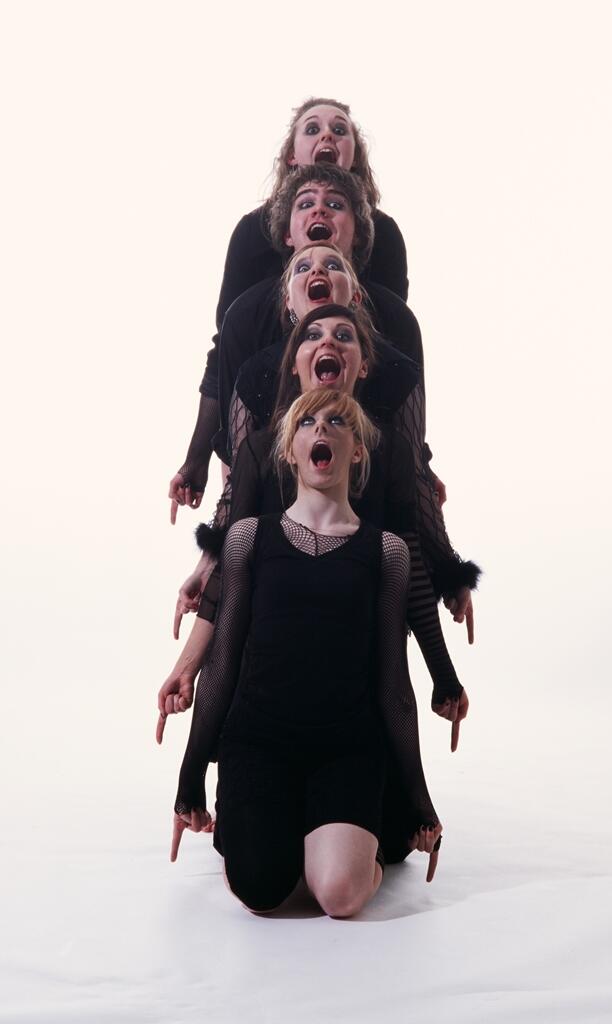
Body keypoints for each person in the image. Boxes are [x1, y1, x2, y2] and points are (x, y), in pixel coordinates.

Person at [158, 308, 475, 798]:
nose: (328, 342)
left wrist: (444, 676)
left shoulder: (390, 450)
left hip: (357, 680)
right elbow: (228, 580)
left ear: (363, 365)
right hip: (269, 671)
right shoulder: (260, 452)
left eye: (344, 335)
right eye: (313, 335)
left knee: (374, 822)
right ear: (294, 363)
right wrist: (186, 668)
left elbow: (409, 564)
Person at [169, 390, 442, 917]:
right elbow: (222, 664)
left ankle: (353, 839)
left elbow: (393, 684)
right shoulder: (249, 538)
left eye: (338, 421)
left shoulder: (386, 551)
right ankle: (271, 829)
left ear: (356, 450)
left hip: (346, 745)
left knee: (340, 897)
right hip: (260, 740)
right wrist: (190, 780)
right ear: (289, 451)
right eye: (307, 422)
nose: (322, 429)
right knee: (261, 890)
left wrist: (420, 800)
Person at [169, 164, 419, 518]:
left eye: (335, 204)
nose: (320, 210)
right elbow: (239, 466)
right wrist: (197, 462)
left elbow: (410, 463)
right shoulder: (251, 340)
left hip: (370, 507)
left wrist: (423, 480)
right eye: (305, 204)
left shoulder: (395, 335)